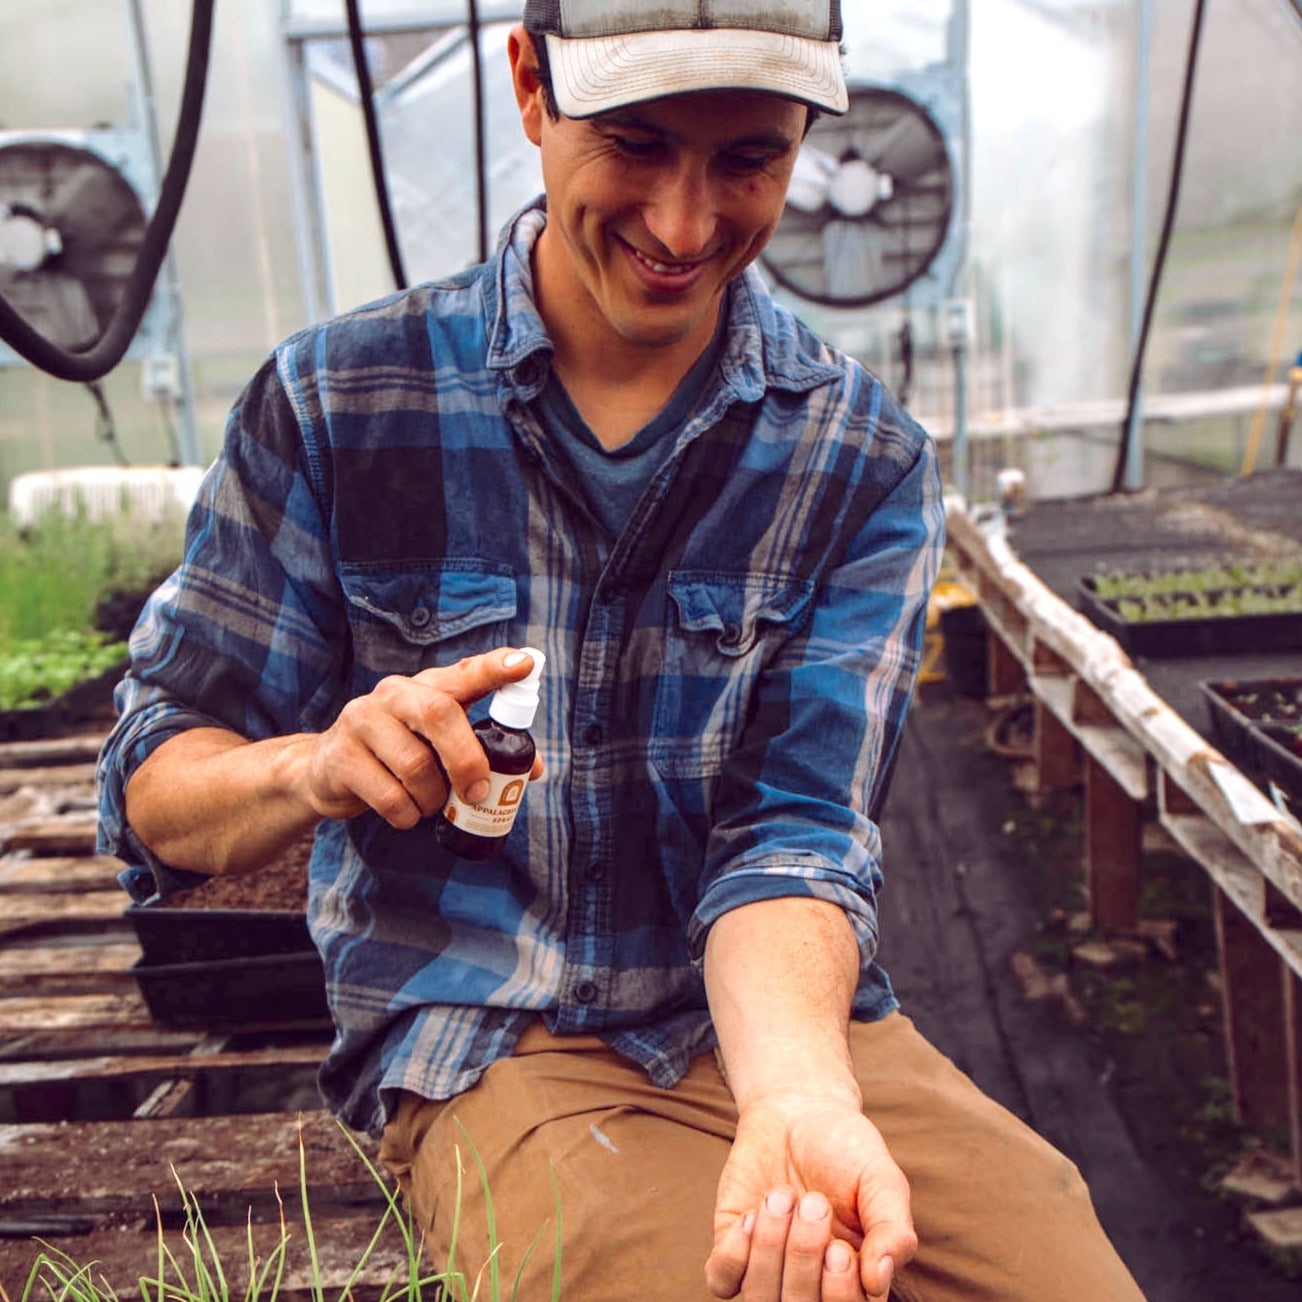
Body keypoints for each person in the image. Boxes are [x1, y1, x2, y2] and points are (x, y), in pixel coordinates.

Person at [97, 1, 1147, 1299]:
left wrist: (801, 1099)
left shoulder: (854, 458)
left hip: (773, 1023)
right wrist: (314, 768)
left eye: (748, 159)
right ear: (530, 87)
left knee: (1061, 1264)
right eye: (637, 143)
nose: (685, 224)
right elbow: (159, 789)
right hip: (494, 1036)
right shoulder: (338, 406)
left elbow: (790, 835)